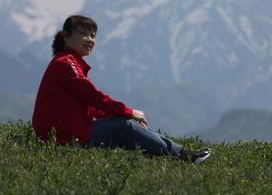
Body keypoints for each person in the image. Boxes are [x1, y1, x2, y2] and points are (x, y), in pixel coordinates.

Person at [32, 14, 211, 164]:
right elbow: (94, 97)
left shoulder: (70, 63)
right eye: (83, 34)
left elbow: (91, 105)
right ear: (66, 37)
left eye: (93, 35)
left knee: (123, 122)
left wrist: (123, 113)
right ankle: (179, 156)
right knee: (125, 127)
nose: (89, 39)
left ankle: (165, 155)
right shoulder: (66, 64)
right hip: (63, 138)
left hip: (64, 135)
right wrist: (129, 112)